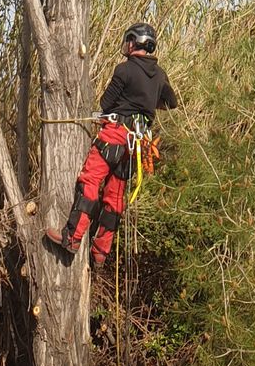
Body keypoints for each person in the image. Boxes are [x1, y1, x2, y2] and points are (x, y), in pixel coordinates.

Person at [44, 21, 178, 268]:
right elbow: (171, 102)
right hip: (136, 143)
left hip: (115, 134)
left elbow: (106, 103)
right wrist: (149, 101)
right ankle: (100, 252)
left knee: (90, 181)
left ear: (133, 42)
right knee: (115, 196)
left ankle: (72, 237)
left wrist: (127, 104)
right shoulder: (159, 75)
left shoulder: (124, 70)